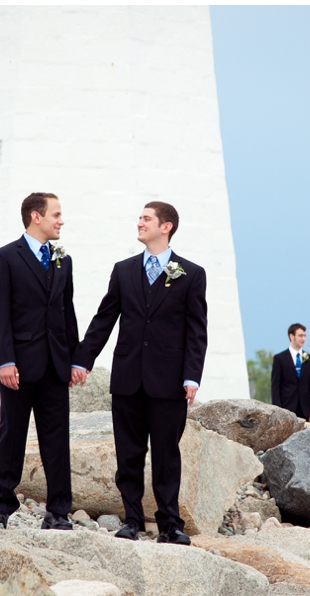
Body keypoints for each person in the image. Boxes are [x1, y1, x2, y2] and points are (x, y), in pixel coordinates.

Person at [71, 201, 207, 546]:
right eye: (139, 218)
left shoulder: (191, 274)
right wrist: (82, 360)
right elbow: (105, 319)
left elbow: (197, 331)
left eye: (146, 219)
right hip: (128, 378)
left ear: (167, 227)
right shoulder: (124, 270)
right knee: (128, 455)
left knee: (166, 456)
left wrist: (191, 377)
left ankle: (170, 525)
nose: (139, 223)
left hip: (169, 382)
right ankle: (131, 520)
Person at [0, 192, 79, 531]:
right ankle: (2, 506)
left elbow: (67, 313)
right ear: (36, 217)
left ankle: (58, 511)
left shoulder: (62, 260)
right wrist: (5, 361)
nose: (61, 220)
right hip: (19, 366)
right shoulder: (5, 258)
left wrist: (75, 360)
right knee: (12, 434)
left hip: (55, 364)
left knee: (57, 439)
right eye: (56, 214)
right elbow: (1, 315)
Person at [271, 324, 310, 422]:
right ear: (291, 336)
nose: (303, 338)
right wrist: (277, 408)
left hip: (305, 407)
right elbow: (275, 386)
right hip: (286, 406)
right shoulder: (280, 358)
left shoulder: (309, 358)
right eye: (300, 336)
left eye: (304, 336)